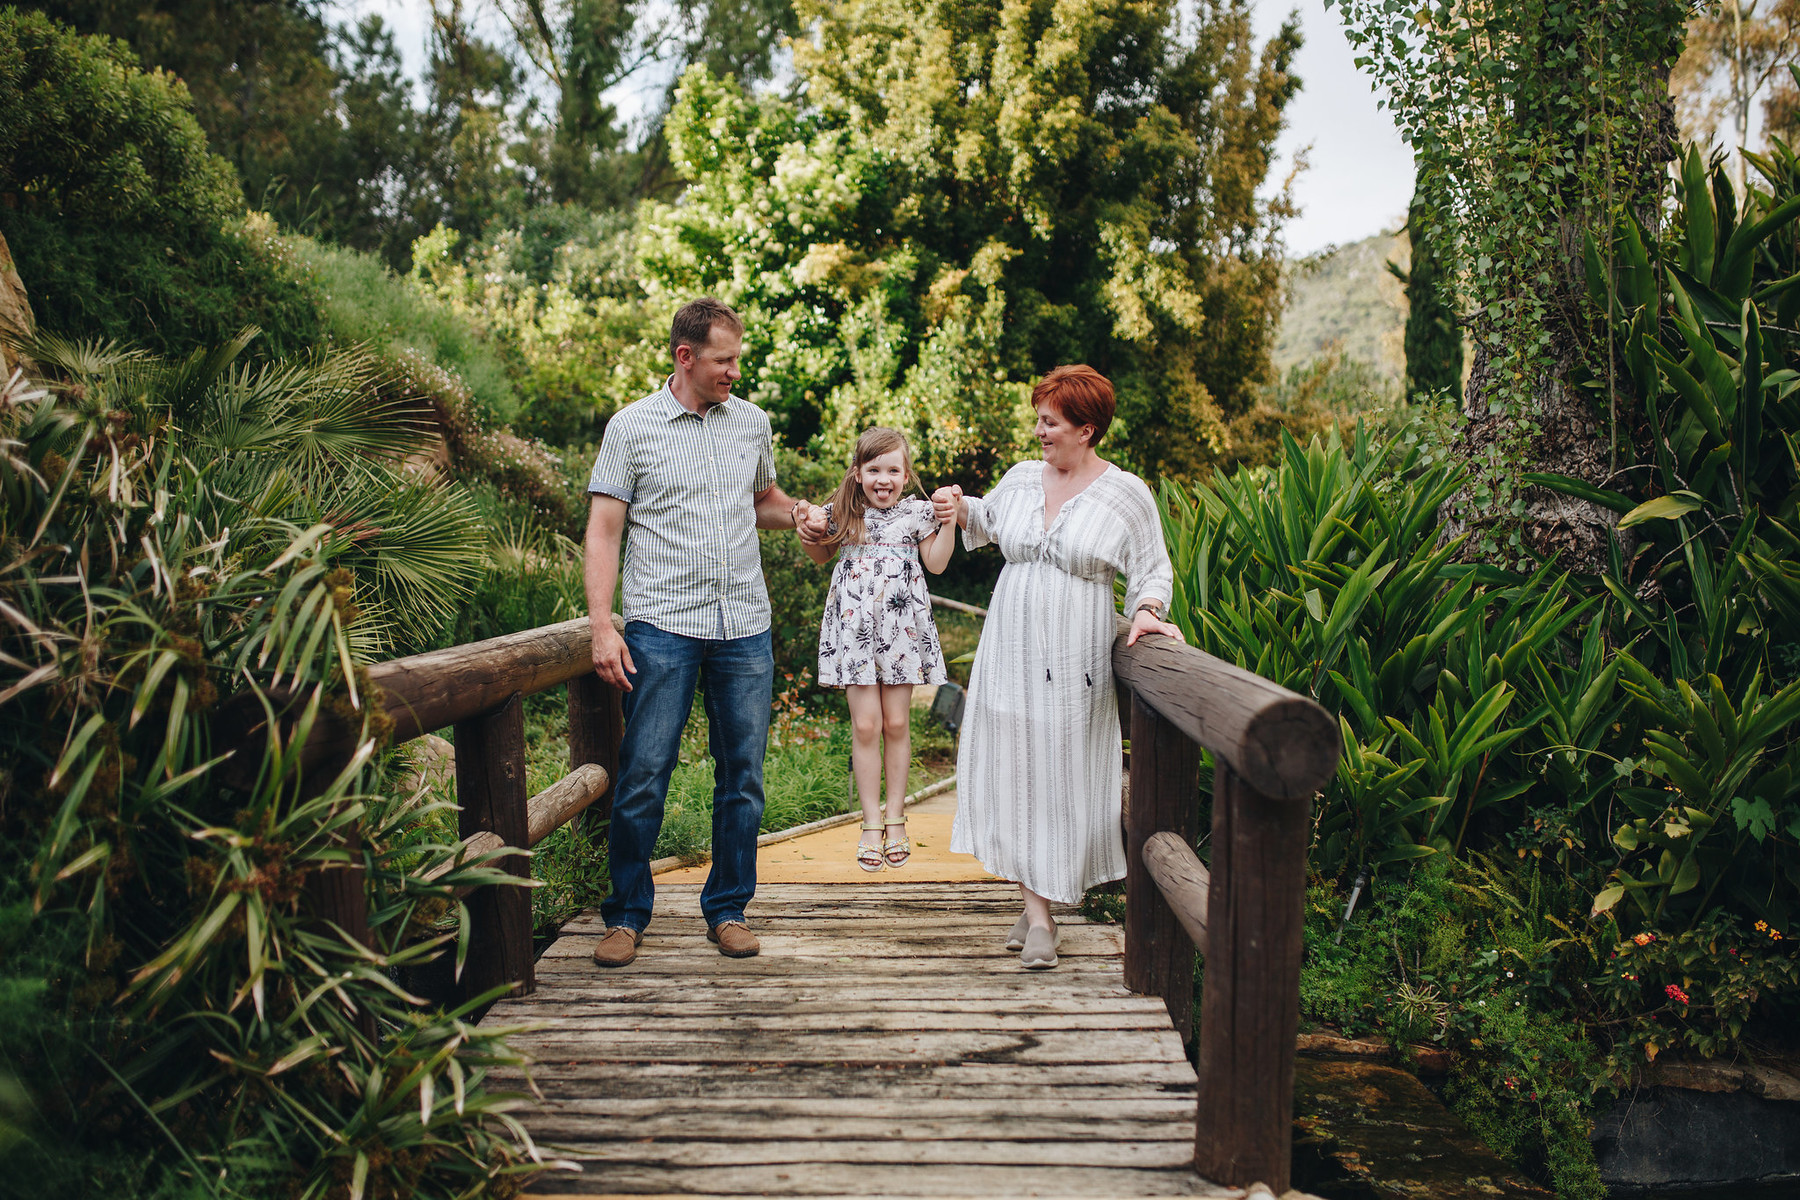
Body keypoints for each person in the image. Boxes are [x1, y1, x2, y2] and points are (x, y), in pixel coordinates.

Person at [584, 297, 815, 967]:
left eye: (737, 358)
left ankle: (728, 909)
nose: (734, 372)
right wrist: (604, 626)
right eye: (724, 359)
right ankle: (626, 915)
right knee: (645, 773)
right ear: (685, 357)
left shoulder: (752, 423)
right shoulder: (631, 428)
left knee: (742, 776)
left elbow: (762, 501)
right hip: (662, 624)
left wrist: (798, 513)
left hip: (744, 623)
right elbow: (603, 530)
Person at [931, 365, 1183, 970]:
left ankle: (1037, 899)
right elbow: (986, 520)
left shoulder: (1127, 494)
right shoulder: (1020, 479)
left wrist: (1147, 611)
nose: (1039, 431)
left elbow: (1152, 568)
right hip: (1009, 651)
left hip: (1076, 660)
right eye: (1039, 419)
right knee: (1014, 769)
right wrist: (957, 504)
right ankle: (1040, 915)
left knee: (1061, 774)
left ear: (1087, 429)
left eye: (1051, 422)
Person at [796, 428, 954, 871]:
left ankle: (897, 818)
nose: (883, 479)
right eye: (874, 470)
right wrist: (805, 525)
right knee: (866, 726)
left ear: (906, 474)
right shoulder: (842, 512)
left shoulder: (919, 513)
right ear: (858, 472)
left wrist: (949, 521)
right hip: (856, 631)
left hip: (902, 631)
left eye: (892, 470)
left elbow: (937, 563)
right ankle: (870, 823)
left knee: (897, 721)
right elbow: (819, 556)